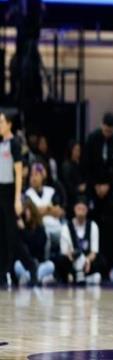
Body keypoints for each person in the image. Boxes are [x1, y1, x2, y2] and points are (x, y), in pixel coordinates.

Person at [5, 0, 44, 107]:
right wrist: (10, 14)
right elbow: (14, 9)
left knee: (32, 64)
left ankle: (36, 94)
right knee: (18, 62)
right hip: (21, 34)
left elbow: (40, 13)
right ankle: (17, 92)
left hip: (31, 35)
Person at [57, 195, 102, 285]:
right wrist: (75, 258)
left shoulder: (93, 226)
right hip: (72, 260)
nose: (80, 211)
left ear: (87, 210)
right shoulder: (66, 227)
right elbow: (65, 251)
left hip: (87, 263)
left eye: (83, 209)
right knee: (61, 260)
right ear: (74, 209)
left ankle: (80, 278)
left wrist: (86, 260)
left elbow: (94, 252)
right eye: (78, 208)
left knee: (100, 260)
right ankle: (79, 277)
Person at [0, 111, 23, 287]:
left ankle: (28, 265)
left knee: (11, 234)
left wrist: (17, 198)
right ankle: (3, 273)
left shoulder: (15, 143)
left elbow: (19, 173)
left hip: (9, 191)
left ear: (9, 124)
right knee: (2, 233)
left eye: (1, 121)